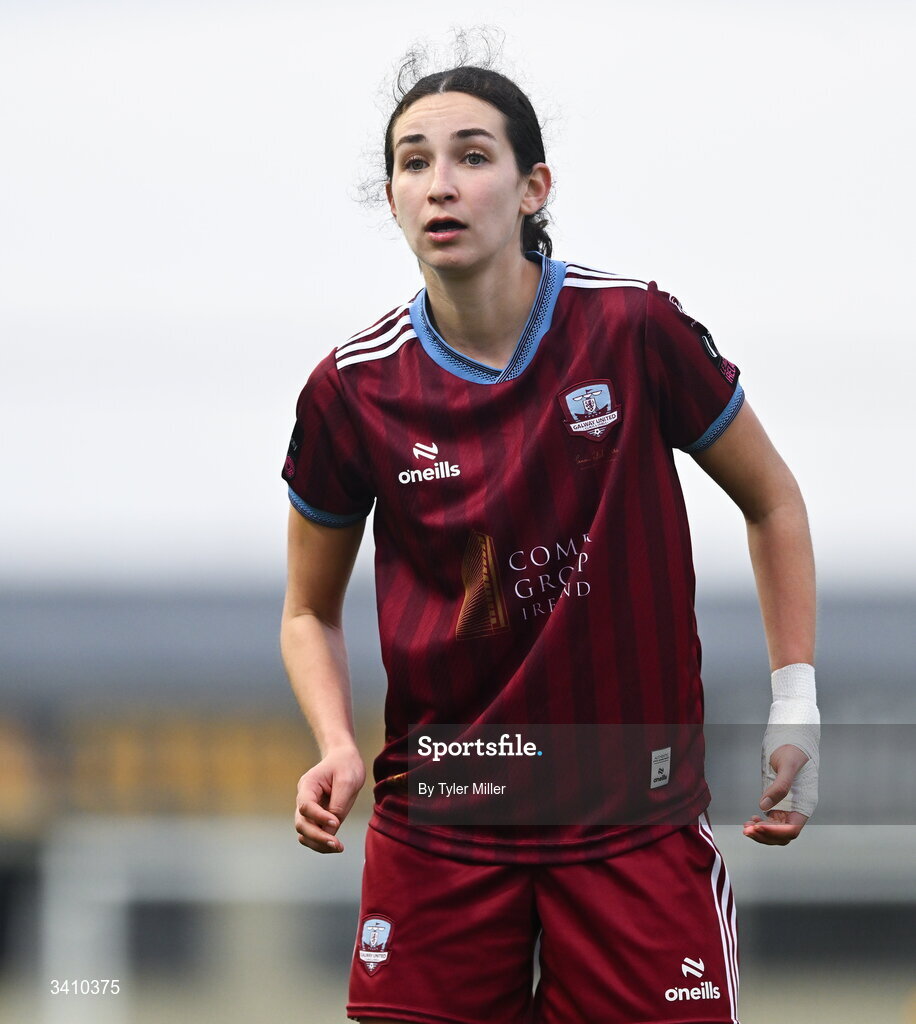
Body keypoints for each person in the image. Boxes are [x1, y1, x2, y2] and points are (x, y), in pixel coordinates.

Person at [280, 58, 819, 1024]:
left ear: (533, 189)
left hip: (633, 830)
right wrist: (334, 743)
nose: (439, 182)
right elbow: (308, 611)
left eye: (471, 156)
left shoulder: (633, 326)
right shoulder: (351, 389)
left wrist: (797, 697)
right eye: (413, 163)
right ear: (394, 199)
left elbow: (773, 501)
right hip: (440, 831)